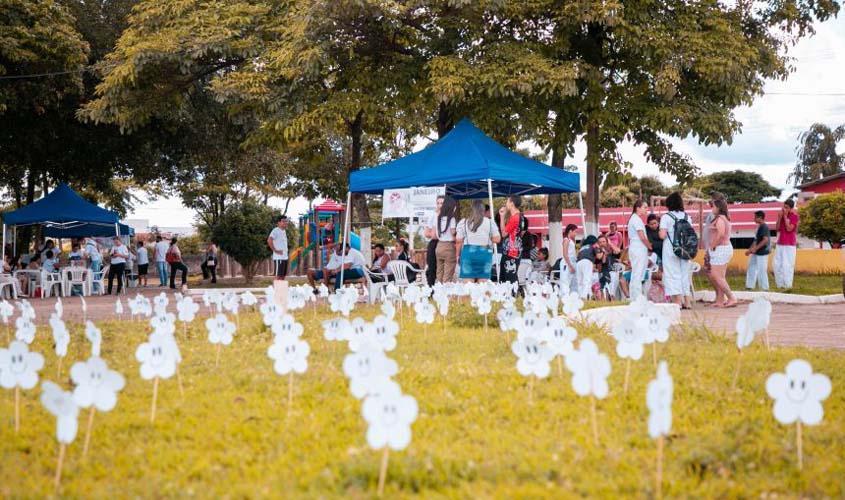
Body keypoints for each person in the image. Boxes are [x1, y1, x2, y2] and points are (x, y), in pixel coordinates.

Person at [659, 192, 694, 309]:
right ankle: (687, 302)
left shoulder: (666, 217)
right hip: (685, 249)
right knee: (684, 275)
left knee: (672, 274)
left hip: (670, 249)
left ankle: (677, 302)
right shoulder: (687, 217)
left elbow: (662, 235)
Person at [455, 199, 501, 283]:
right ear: (483, 210)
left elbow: (458, 240)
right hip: (484, 255)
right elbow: (497, 239)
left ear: (472, 210)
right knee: (482, 287)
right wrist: (487, 237)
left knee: (468, 287)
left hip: (468, 255)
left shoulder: (464, 222)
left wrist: (457, 255)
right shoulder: (490, 222)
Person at [707, 198, 737, 308]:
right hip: (722, 249)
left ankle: (731, 297)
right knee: (719, 276)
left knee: (716, 275)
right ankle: (720, 300)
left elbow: (720, 234)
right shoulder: (723, 218)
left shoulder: (720, 219)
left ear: (718, 207)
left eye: (713, 206)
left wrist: (713, 245)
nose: (712, 208)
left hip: (721, 249)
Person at [627, 200, 652, 300]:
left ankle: (635, 296)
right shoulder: (636, 219)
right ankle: (636, 297)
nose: (647, 209)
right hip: (638, 247)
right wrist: (649, 246)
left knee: (637, 273)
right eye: (645, 207)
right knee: (637, 273)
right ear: (638, 208)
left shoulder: (635, 219)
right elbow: (642, 236)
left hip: (637, 248)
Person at [773, 199, 799, 289]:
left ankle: (788, 285)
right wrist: (780, 218)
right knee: (777, 265)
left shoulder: (794, 216)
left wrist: (785, 216)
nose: (784, 209)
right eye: (784, 206)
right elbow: (776, 228)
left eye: (786, 207)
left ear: (791, 209)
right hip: (780, 243)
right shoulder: (781, 215)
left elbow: (789, 228)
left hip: (789, 244)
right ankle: (780, 285)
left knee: (787, 265)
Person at [499, 195, 524, 284]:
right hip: (516, 249)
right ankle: (516, 295)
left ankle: (512, 296)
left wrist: (502, 217)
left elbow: (503, 233)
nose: (506, 204)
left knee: (508, 278)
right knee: (511, 276)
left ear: (512, 203)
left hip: (511, 251)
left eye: (507, 201)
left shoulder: (514, 218)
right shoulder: (521, 217)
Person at [434, 196, 458, 283]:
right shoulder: (451, 219)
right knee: (448, 273)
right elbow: (453, 233)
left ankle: (438, 291)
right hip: (449, 246)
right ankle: (445, 293)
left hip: (439, 246)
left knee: (439, 272)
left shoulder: (438, 218)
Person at [745, 210, 771, 291]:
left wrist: (755, 249)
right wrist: (750, 250)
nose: (754, 219)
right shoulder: (759, 227)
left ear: (760, 218)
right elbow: (756, 240)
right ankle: (749, 286)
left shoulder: (764, 227)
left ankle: (764, 288)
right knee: (751, 267)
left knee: (762, 270)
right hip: (756, 252)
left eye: (756, 217)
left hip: (762, 252)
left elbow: (765, 240)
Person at [423, 195, 445, 287]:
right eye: (438, 203)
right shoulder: (432, 215)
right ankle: (430, 290)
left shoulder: (449, 216)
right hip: (434, 243)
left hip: (445, 244)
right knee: (431, 268)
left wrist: (435, 232)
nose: (440, 205)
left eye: (442, 203)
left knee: (443, 269)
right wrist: (435, 233)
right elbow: (427, 233)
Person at [576, 235, 599, 299]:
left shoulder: (583, 247)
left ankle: (580, 296)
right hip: (587, 261)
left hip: (578, 263)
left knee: (579, 281)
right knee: (587, 280)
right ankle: (584, 297)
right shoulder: (593, 245)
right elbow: (598, 256)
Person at [267, 215, 289, 281]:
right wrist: (275, 250)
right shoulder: (275, 230)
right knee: (278, 276)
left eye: (286, 221)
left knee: (283, 276)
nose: (285, 223)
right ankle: (275, 291)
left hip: (285, 257)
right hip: (279, 258)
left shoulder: (284, 231)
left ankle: (281, 291)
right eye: (283, 221)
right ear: (278, 222)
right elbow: (269, 240)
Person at [558, 224, 579, 292]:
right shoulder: (566, 240)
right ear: (570, 231)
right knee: (565, 281)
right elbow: (565, 254)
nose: (576, 233)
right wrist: (570, 265)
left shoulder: (571, 240)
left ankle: (573, 296)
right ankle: (564, 297)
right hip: (566, 263)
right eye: (575, 232)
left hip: (573, 262)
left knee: (574, 282)